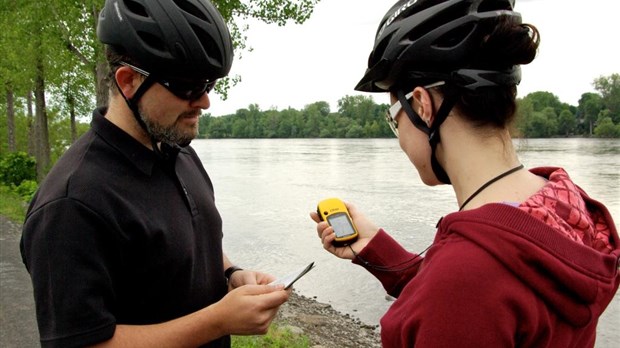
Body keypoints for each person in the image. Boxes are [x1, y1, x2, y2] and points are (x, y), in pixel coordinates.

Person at [310, 0, 619, 347]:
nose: (398, 135)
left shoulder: (464, 282)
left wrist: (446, 282)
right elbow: (492, 299)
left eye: (393, 117)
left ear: (422, 106)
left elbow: (465, 294)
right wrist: (380, 251)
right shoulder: (566, 206)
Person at [20, 0, 289, 347]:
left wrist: (231, 275)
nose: (205, 101)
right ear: (128, 81)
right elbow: (82, 342)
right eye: (187, 86)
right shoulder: (72, 204)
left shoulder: (177, 152)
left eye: (208, 84)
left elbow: (187, 244)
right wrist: (219, 321)